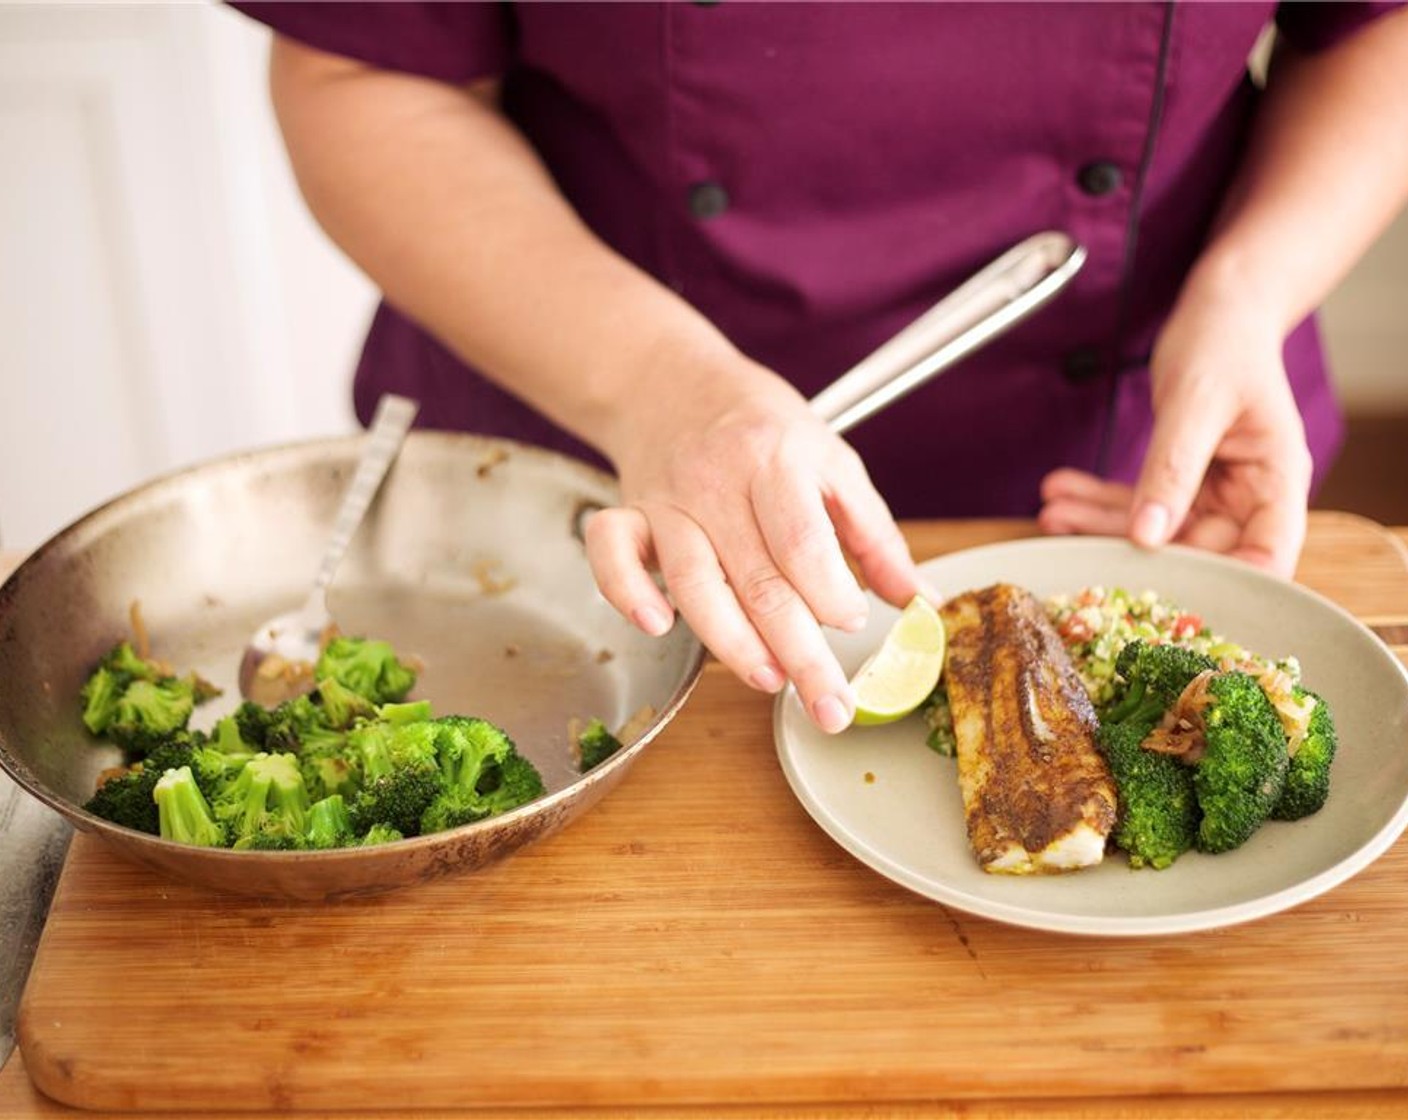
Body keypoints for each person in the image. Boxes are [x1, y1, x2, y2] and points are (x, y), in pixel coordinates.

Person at [231, 1, 1408, 734]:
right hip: (581, 488)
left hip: (1123, 461)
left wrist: (1249, 289)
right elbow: (362, 72)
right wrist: (656, 386)